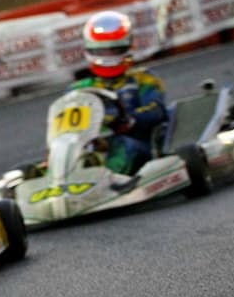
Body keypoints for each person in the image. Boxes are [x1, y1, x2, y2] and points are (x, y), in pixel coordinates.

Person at [70, 10, 167, 176]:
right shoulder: (78, 89)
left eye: (113, 50)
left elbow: (157, 111)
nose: (107, 56)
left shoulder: (143, 78)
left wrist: (128, 120)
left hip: (138, 143)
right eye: (101, 51)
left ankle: (104, 179)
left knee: (122, 145)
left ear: (127, 47)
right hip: (93, 146)